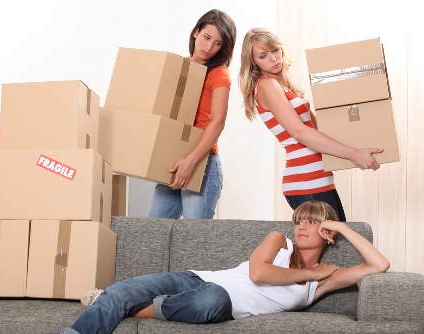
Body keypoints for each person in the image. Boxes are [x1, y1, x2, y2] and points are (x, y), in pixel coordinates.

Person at [61, 200, 389, 334]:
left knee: (213, 301)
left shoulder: (327, 278)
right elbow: (258, 273)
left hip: (218, 302)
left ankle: (121, 306)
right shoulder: (279, 240)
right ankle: (114, 303)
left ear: (327, 233)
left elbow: (380, 264)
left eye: (312, 222)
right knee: (121, 288)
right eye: (299, 221)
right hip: (193, 279)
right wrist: (308, 272)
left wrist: (345, 228)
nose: (301, 227)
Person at [238, 28, 384, 221]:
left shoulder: (283, 85)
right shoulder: (266, 85)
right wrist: (353, 154)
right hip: (306, 181)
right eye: (263, 55)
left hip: (319, 179)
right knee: (330, 248)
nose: (273, 58)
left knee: (338, 246)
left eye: (275, 50)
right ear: (253, 61)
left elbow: (317, 131)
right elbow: (300, 133)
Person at [146, 9, 237, 219]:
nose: (209, 47)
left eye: (218, 43)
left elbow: (218, 122)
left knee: (195, 242)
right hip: (174, 160)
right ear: (196, 32)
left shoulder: (219, 73)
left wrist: (190, 161)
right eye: (206, 37)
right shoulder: (178, 67)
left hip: (202, 163)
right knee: (153, 232)